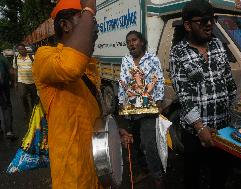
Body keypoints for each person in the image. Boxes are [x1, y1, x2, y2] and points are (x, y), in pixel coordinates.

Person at [32, 0, 132, 188]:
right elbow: (70, 67)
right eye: (87, 20)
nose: (95, 29)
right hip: (74, 176)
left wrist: (109, 134)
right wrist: (89, 9)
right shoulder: (44, 56)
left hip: (97, 170)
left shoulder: (88, 66)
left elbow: (91, 116)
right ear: (65, 25)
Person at [169, 1, 237, 188]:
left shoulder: (217, 45)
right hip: (194, 132)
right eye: (203, 20)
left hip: (223, 129)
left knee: (220, 174)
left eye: (212, 19)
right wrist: (200, 128)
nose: (209, 24)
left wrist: (238, 110)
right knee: (192, 176)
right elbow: (184, 96)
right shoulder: (178, 52)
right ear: (188, 25)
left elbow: (229, 82)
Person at [118, 30, 165, 189]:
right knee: (135, 142)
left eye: (134, 40)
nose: (131, 44)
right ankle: (145, 169)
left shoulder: (152, 59)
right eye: (128, 41)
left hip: (148, 109)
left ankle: (158, 176)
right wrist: (120, 102)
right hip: (131, 109)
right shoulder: (125, 60)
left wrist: (159, 102)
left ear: (142, 42)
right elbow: (123, 82)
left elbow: (158, 81)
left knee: (148, 143)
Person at [13, 43, 37, 121]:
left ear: (25, 49)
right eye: (19, 49)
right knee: (23, 96)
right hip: (21, 81)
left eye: (22, 49)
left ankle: (34, 113)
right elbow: (15, 70)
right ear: (18, 51)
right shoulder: (16, 58)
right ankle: (27, 113)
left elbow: (37, 68)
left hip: (32, 81)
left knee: (34, 98)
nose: (21, 50)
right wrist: (15, 82)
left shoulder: (32, 57)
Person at [0, 50, 18, 140]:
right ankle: (9, 131)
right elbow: (11, 72)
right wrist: (12, 81)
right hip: (3, 88)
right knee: (6, 107)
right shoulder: (3, 59)